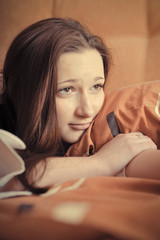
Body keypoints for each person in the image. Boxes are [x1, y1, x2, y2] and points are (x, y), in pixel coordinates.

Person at [0, 18, 158, 194]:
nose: (87, 110)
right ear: (23, 90)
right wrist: (101, 162)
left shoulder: (97, 131)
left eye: (96, 86)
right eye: (66, 89)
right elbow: (13, 180)